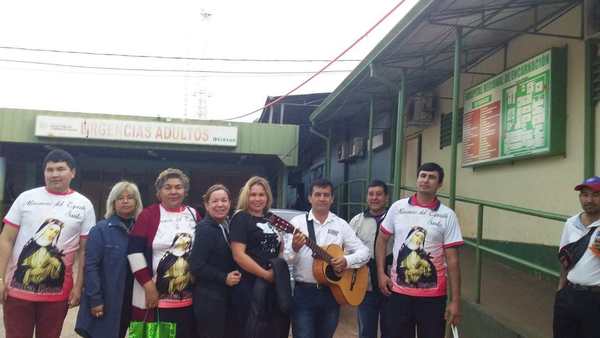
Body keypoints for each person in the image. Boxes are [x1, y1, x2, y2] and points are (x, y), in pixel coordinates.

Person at [0, 148, 96, 338]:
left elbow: (85, 251)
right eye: (49, 170)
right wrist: (0, 279)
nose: (54, 174)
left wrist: (78, 287)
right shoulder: (26, 199)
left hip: (57, 295)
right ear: (43, 173)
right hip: (16, 292)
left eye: (60, 169)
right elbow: (6, 239)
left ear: (73, 172)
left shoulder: (83, 205)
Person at [375, 162, 463, 338]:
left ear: (439, 184)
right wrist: (380, 273)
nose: (426, 180)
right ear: (417, 179)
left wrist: (455, 301)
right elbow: (382, 240)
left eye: (432, 177)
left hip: (433, 298)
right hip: (398, 294)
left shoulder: (447, 215)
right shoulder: (398, 207)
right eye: (422, 176)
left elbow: (453, 261)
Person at [287, 178, 370, 338]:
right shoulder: (296, 224)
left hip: (332, 293)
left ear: (332, 199)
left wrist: (346, 261)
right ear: (310, 198)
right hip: (304, 293)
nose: (322, 198)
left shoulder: (340, 224)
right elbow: (285, 259)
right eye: (318, 194)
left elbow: (364, 252)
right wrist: (295, 248)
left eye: (326, 195)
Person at [127, 168, 199, 338]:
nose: (173, 191)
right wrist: (148, 285)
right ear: (159, 192)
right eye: (167, 187)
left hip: (187, 298)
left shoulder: (194, 214)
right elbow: (134, 252)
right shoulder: (148, 215)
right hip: (154, 298)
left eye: (178, 187)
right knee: (154, 335)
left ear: (185, 191)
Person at [75, 181, 143, 338]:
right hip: (107, 300)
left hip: (133, 300)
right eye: (120, 198)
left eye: (130, 197)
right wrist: (95, 299)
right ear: (113, 202)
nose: (125, 201)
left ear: (136, 202)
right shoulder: (101, 229)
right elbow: (91, 267)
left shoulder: (142, 229)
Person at [229, 176, 290, 338]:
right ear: (246, 197)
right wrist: (265, 275)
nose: (257, 199)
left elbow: (279, 250)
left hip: (271, 285)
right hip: (249, 286)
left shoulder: (271, 218)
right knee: (250, 330)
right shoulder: (241, 218)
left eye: (261, 194)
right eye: (253, 195)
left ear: (267, 197)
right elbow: (238, 255)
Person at [190, 184, 241, 338]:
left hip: (223, 297)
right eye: (215, 201)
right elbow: (196, 265)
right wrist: (224, 278)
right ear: (206, 205)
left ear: (230, 203)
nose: (220, 204)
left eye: (224, 200)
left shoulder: (225, 225)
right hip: (209, 299)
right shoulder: (205, 229)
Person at [553, 176, 600, 338]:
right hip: (568, 295)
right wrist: (560, 289)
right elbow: (565, 258)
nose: (589, 200)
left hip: (596, 299)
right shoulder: (570, 223)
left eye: (596, 195)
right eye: (585, 195)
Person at [349, 179, 393, 338]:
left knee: (390, 329)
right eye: (371, 194)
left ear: (386, 197)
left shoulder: (394, 219)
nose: (374, 198)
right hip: (364, 284)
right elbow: (347, 250)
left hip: (390, 284)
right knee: (366, 330)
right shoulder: (356, 221)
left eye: (379, 194)